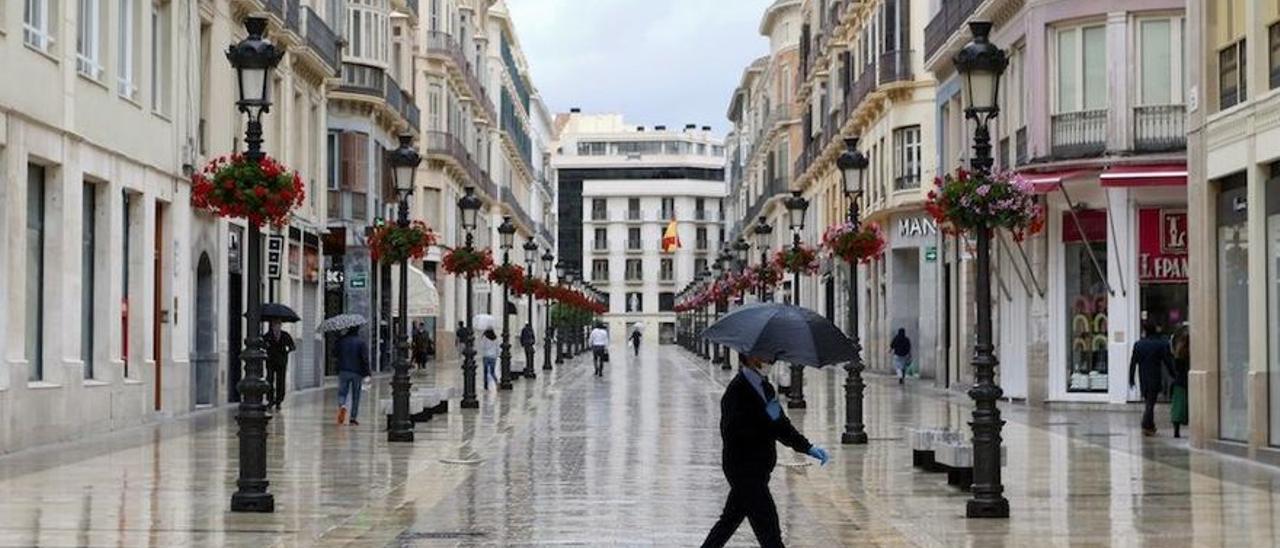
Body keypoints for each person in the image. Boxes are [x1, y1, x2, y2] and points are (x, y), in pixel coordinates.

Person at [701, 355, 830, 548]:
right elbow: (732, 432)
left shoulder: (765, 388)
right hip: (744, 469)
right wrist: (764, 421)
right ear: (752, 358)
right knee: (769, 529)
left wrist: (807, 447)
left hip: (759, 470)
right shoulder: (737, 391)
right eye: (766, 356)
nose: (771, 361)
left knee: (730, 520)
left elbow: (780, 425)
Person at [1129, 323, 1175, 436]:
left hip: (1143, 377)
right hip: (1154, 376)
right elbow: (1167, 361)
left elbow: (1133, 363)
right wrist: (1173, 374)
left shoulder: (1138, 345)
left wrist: (1131, 378)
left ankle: (1150, 424)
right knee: (1150, 402)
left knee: (1148, 401)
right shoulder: (1159, 345)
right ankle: (1146, 424)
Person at [335, 326, 371, 426]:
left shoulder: (341, 341)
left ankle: (342, 406)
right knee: (356, 395)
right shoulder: (361, 342)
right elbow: (364, 358)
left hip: (343, 370)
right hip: (357, 372)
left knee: (342, 393)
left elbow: (335, 353)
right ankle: (353, 418)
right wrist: (367, 373)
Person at [263, 319, 296, 411]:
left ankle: (279, 401)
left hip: (281, 361)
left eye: (279, 325)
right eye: (275, 325)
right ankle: (270, 400)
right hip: (270, 361)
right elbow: (262, 345)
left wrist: (288, 350)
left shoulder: (285, 335)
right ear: (272, 326)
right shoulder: (267, 335)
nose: (277, 327)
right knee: (269, 380)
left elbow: (293, 346)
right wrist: (266, 346)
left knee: (280, 381)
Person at [1170, 329, 1190, 438]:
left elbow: (1176, 368)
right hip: (1187, 382)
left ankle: (1176, 430)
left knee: (1178, 408)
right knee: (1187, 406)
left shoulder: (1178, 353)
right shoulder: (1190, 353)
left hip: (1179, 382)